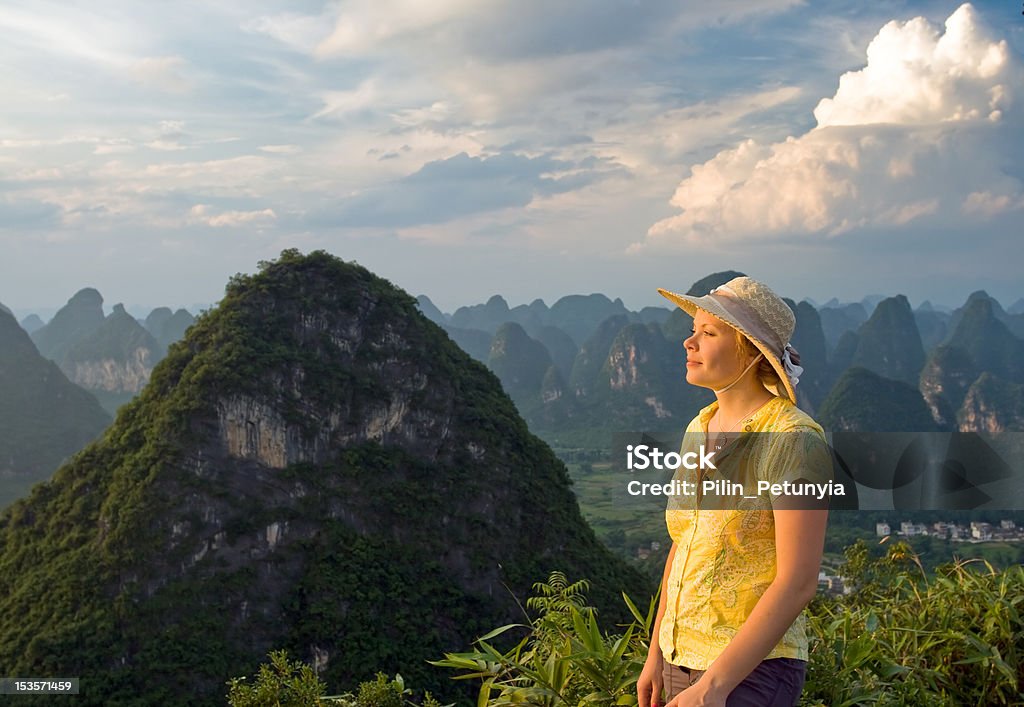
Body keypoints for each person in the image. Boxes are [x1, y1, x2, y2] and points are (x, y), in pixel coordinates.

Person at [636, 276, 834, 707]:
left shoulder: (794, 438)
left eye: (708, 333)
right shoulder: (700, 426)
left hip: (750, 672)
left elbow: (799, 582)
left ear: (750, 351)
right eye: (693, 331)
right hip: (678, 658)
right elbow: (683, 544)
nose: (689, 343)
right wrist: (655, 654)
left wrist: (713, 688)